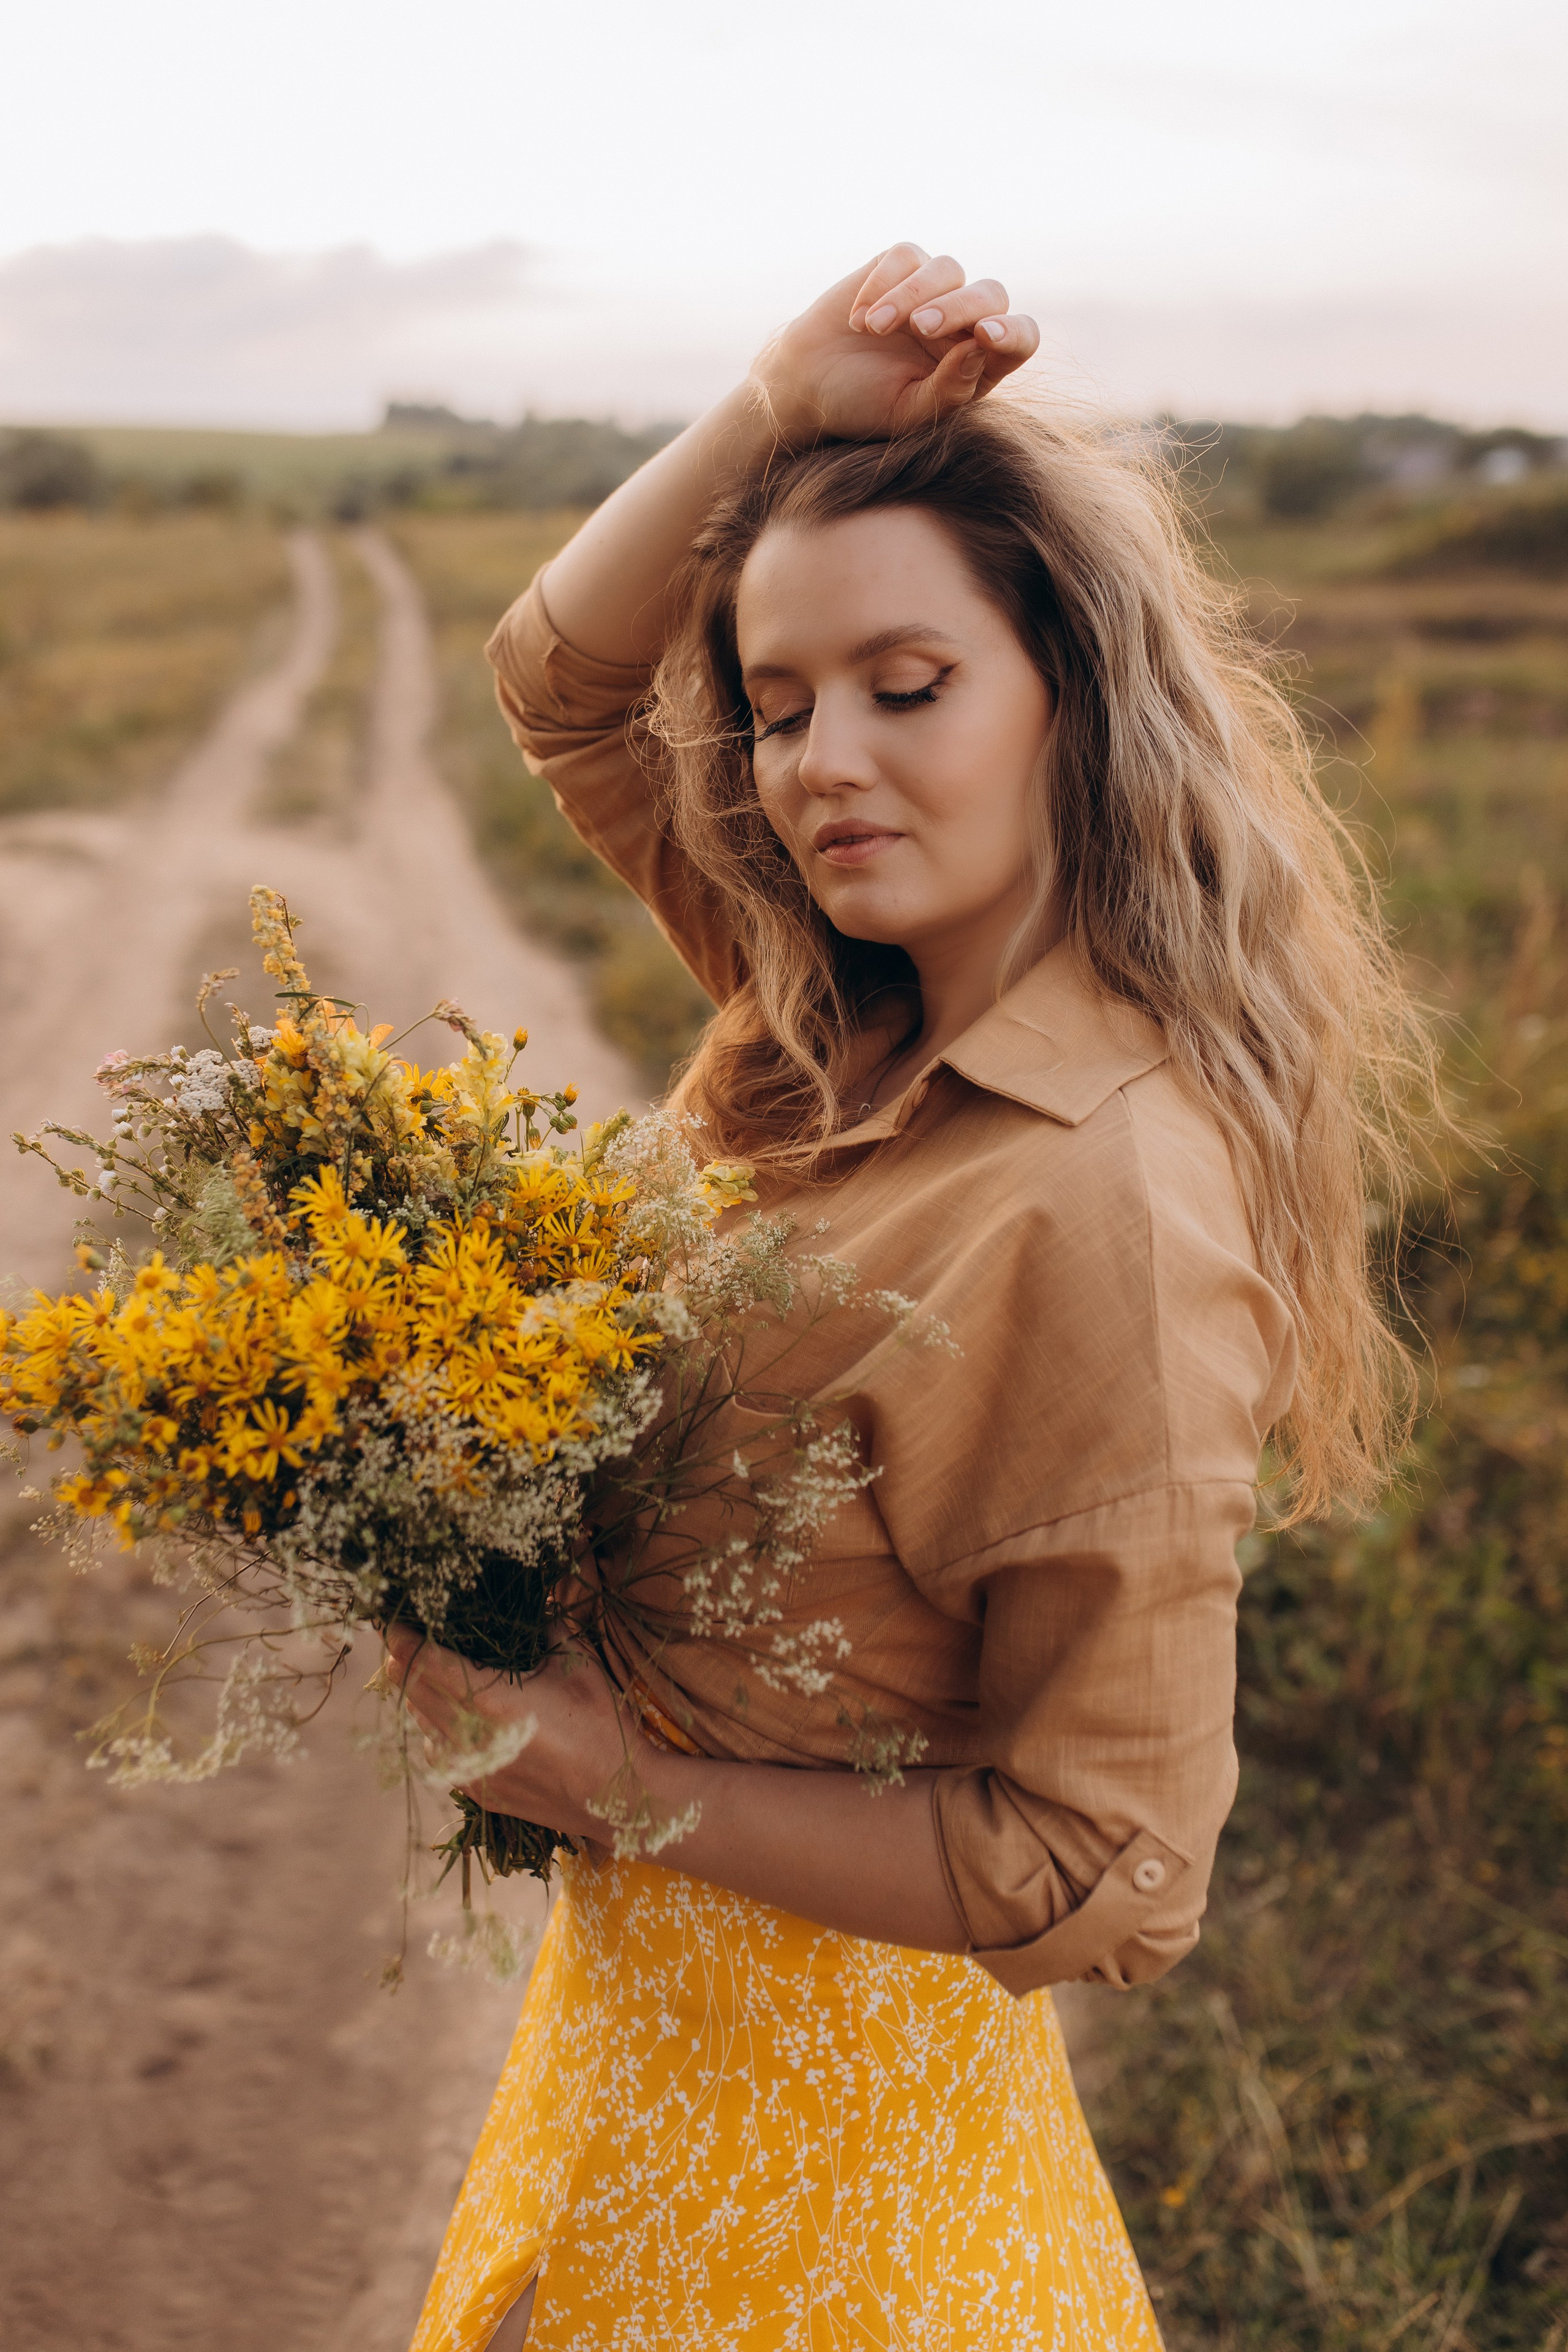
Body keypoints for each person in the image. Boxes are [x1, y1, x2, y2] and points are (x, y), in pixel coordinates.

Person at [392, 244, 1428, 2351]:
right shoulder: (824, 1011)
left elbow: (1109, 1873)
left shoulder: (1107, 1201)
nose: (820, 764)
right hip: (637, 2079)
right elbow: (560, 684)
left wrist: (596, 1776)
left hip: (850, 2216)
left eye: (908, 684)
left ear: (1071, 692)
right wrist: (777, 405)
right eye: (776, 709)